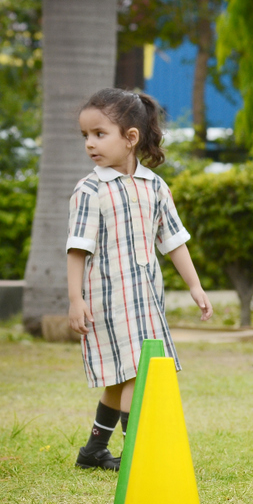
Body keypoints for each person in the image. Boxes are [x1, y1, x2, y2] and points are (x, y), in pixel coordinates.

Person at [66, 88, 213, 470]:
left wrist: (195, 286)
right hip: (107, 299)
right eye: (85, 136)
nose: (90, 144)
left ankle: (94, 451)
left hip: (146, 298)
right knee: (136, 370)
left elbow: (174, 241)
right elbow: (77, 248)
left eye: (99, 134)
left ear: (131, 138)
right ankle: (138, 458)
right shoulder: (90, 190)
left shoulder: (155, 187)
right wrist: (75, 299)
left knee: (121, 374)